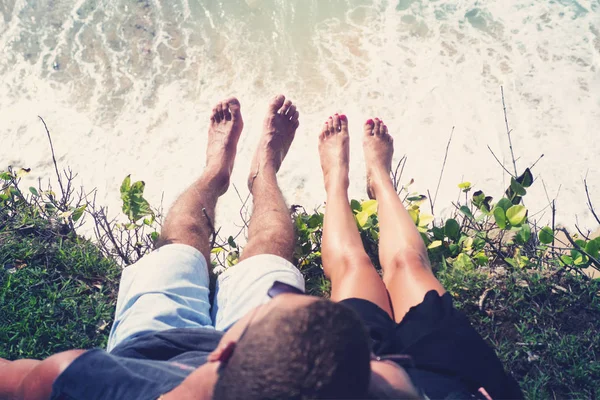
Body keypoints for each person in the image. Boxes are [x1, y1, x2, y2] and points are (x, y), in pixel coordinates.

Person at [0, 95, 373, 400]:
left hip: (147, 344)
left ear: (226, 351)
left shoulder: (85, 382)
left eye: (277, 300)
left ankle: (215, 171)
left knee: (182, 244)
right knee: (268, 249)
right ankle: (264, 170)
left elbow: (13, 381)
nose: (278, 297)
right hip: (255, 376)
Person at [316, 113, 524, 399]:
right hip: (453, 379)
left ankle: (335, 180)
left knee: (351, 266)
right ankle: (380, 179)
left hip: (361, 380)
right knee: (408, 263)